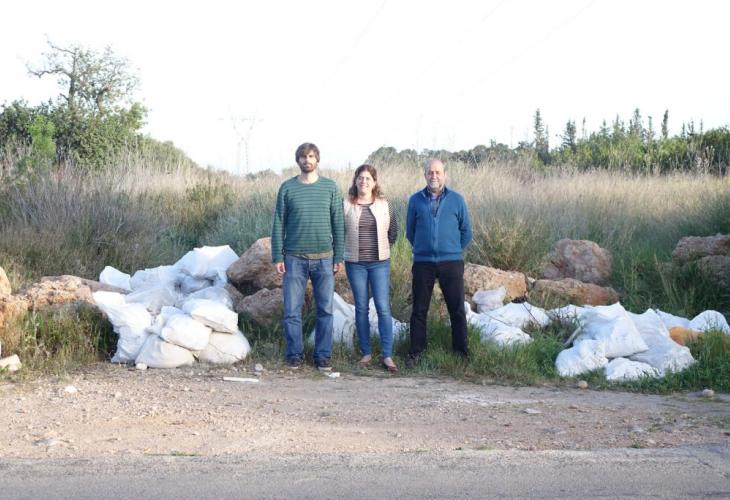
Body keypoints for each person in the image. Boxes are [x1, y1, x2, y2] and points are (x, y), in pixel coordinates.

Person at [271, 143, 344, 371]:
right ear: (298, 161)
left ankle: (322, 356)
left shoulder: (330, 187)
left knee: (326, 310)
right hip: (294, 258)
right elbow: (278, 223)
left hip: (324, 258)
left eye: (311, 156)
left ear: (317, 159)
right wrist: (277, 255)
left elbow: (338, 223)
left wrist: (338, 256)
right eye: (303, 157)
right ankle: (294, 355)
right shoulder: (287, 188)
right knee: (292, 311)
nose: (307, 160)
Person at [406, 158, 472, 366]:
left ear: (444, 174)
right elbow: (410, 232)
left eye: (438, 172)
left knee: (457, 309)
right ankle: (416, 354)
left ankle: (461, 354)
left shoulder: (457, 200)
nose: (434, 176)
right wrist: (423, 248)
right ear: (425, 175)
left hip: (451, 262)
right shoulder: (415, 200)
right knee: (419, 310)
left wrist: (451, 249)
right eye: (430, 172)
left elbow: (466, 232)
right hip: (423, 262)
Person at [343, 164, 399, 373]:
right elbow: (338, 231)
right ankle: (366, 353)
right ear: (355, 181)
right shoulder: (346, 205)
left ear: (374, 182)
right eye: (360, 177)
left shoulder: (385, 205)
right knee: (361, 307)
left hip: (379, 263)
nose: (363, 181)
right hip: (355, 263)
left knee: (383, 307)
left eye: (368, 178)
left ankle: (387, 355)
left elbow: (393, 232)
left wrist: (383, 248)